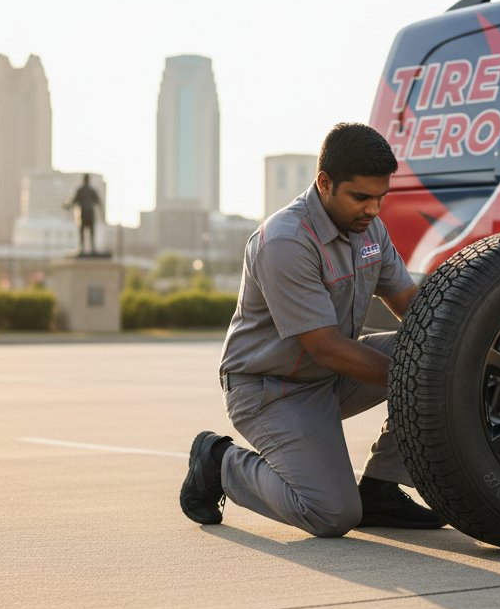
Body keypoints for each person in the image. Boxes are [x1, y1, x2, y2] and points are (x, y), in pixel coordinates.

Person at [180, 122, 444, 536]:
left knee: (435, 352)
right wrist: (424, 378)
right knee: (331, 514)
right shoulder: (285, 242)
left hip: (331, 377)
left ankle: (380, 489)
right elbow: (325, 347)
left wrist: (470, 352)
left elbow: (411, 307)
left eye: (380, 198)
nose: (373, 210)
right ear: (325, 183)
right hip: (271, 389)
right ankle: (219, 461)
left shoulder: (368, 228)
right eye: (361, 197)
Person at [64, 174, 102, 255]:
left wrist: (67, 206)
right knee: (91, 232)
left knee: (82, 231)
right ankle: (91, 249)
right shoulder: (92, 190)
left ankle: (83, 249)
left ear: (84, 180)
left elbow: (73, 201)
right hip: (90, 213)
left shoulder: (81, 190)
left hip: (84, 213)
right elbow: (98, 202)